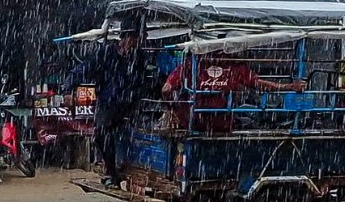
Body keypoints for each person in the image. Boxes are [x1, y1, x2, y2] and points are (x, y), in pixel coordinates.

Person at [64, 21, 149, 187]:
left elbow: (145, 79)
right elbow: (82, 70)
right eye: (136, 39)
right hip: (109, 103)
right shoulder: (106, 54)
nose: (138, 43)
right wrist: (68, 90)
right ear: (126, 39)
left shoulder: (139, 57)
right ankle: (112, 172)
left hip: (131, 104)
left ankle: (125, 168)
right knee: (101, 135)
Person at [160, 56, 305, 133]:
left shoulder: (192, 64)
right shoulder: (234, 66)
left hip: (194, 123)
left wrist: (172, 110)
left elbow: (166, 89)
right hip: (220, 124)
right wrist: (288, 87)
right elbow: (259, 84)